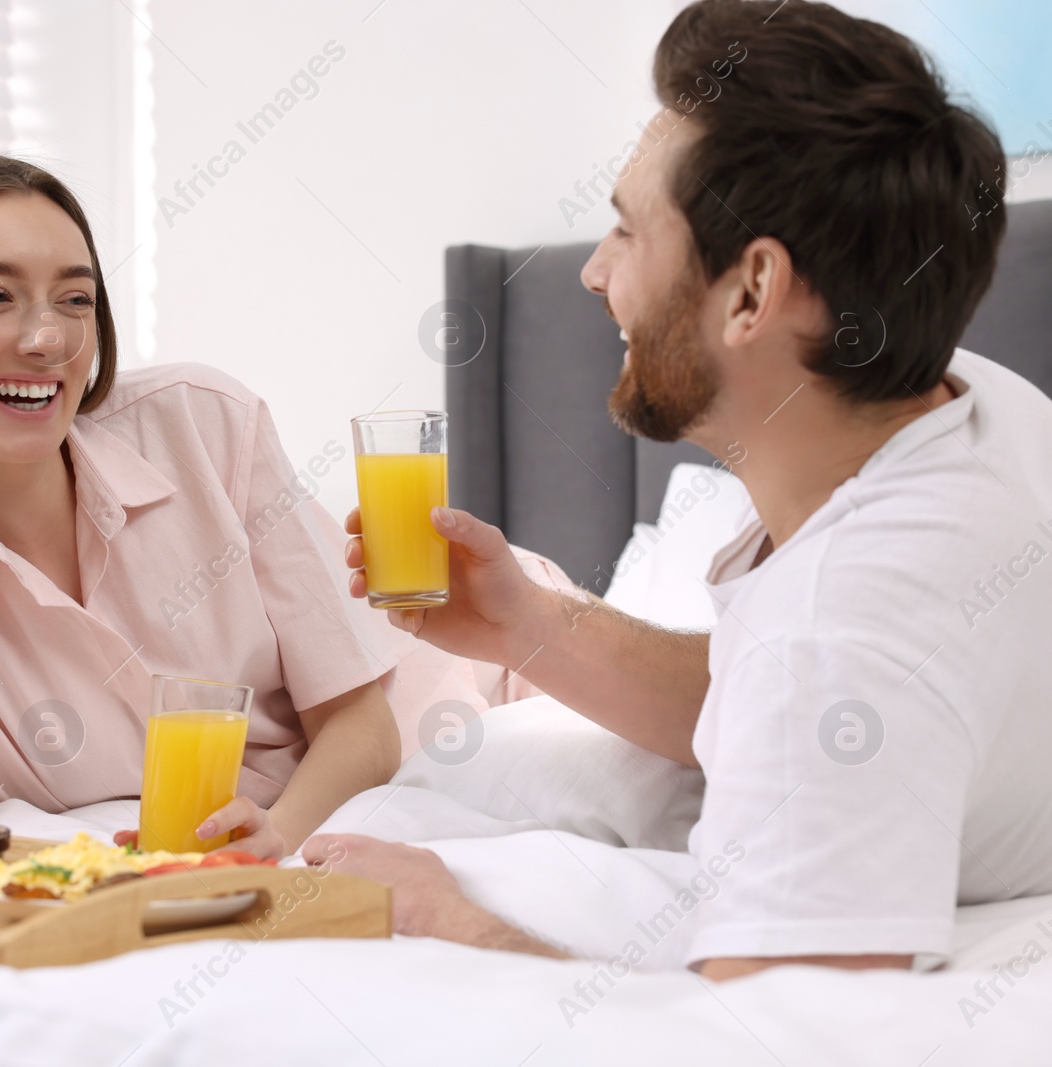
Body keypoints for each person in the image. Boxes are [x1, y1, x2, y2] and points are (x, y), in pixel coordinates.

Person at [307, 0, 1052, 978]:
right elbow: (767, 696)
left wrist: (455, 919)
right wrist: (528, 622)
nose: (591, 272)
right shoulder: (979, 403)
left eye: (624, 230)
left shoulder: (838, 631)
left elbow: (780, 1032)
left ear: (749, 293)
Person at [0, 150, 536, 859]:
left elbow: (363, 721)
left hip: (496, 668)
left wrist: (281, 837)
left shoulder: (203, 422)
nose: (48, 338)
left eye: (77, 300)